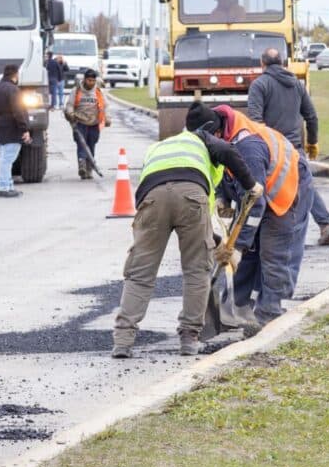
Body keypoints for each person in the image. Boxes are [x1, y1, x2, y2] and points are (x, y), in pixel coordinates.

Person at [112, 103, 263, 358]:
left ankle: (123, 341)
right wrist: (251, 186)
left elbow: (167, 196)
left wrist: (213, 239)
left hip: (151, 200)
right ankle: (189, 338)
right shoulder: (203, 138)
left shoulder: (161, 146)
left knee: (140, 273)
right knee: (196, 270)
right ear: (210, 130)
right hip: (192, 197)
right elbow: (227, 151)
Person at [189, 104, 313, 336]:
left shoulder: (248, 147)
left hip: (287, 189)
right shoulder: (226, 135)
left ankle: (269, 318)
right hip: (258, 189)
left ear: (214, 134)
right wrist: (224, 196)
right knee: (246, 251)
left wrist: (239, 245)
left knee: (274, 252)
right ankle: (236, 310)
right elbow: (230, 170)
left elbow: (255, 202)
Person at [248, 47, 329, 246]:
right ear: (283, 63)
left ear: (262, 64)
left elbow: (255, 122)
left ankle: (260, 235)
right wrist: (312, 142)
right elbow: (311, 116)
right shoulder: (296, 84)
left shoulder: (259, 85)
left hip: (272, 149)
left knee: (266, 189)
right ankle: (325, 224)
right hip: (295, 148)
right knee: (304, 186)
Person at [0, 65, 31, 198]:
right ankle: (4, 187)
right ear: (15, 74)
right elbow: (18, 111)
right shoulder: (13, 89)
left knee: (5, 157)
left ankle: (9, 185)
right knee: (7, 160)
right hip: (11, 128)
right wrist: (24, 129)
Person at [64, 68, 110, 179]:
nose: (91, 83)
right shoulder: (76, 91)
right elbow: (69, 105)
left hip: (94, 123)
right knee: (81, 143)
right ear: (84, 80)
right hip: (80, 122)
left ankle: (89, 168)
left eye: (93, 81)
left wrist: (107, 118)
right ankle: (82, 165)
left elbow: (105, 106)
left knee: (91, 144)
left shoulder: (98, 92)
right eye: (89, 80)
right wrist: (70, 113)